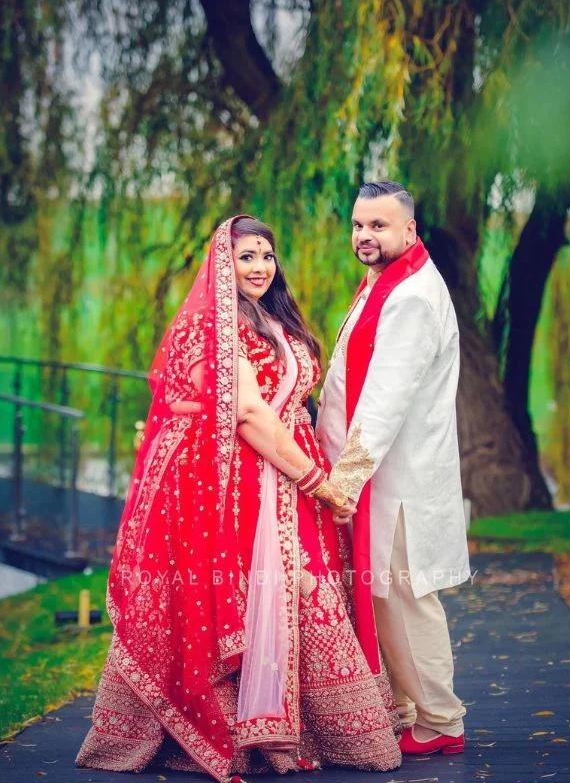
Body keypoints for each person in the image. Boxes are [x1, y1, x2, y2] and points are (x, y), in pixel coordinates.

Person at [75, 215, 402, 783]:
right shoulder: (213, 327)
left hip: (286, 474)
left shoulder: (275, 318)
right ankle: (242, 735)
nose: (259, 267)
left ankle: (311, 731)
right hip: (243, 485)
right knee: (261, 598)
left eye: (266, 256)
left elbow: (292, 402)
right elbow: (248, 414)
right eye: (246, 257)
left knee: (301, 596)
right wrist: (317, 483)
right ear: (221, 265)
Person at [316, 180, 471, 756]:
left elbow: (384, 398)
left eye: (378, 226)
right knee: (383, 597)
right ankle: (408, 707)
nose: (364, 235)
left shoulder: (408, 297)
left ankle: (440, 720)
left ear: (409, 229)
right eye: (359, 225)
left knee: (405, 599)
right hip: (383, 477)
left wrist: (344, 480)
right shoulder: (385, 281)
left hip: (394, 482)